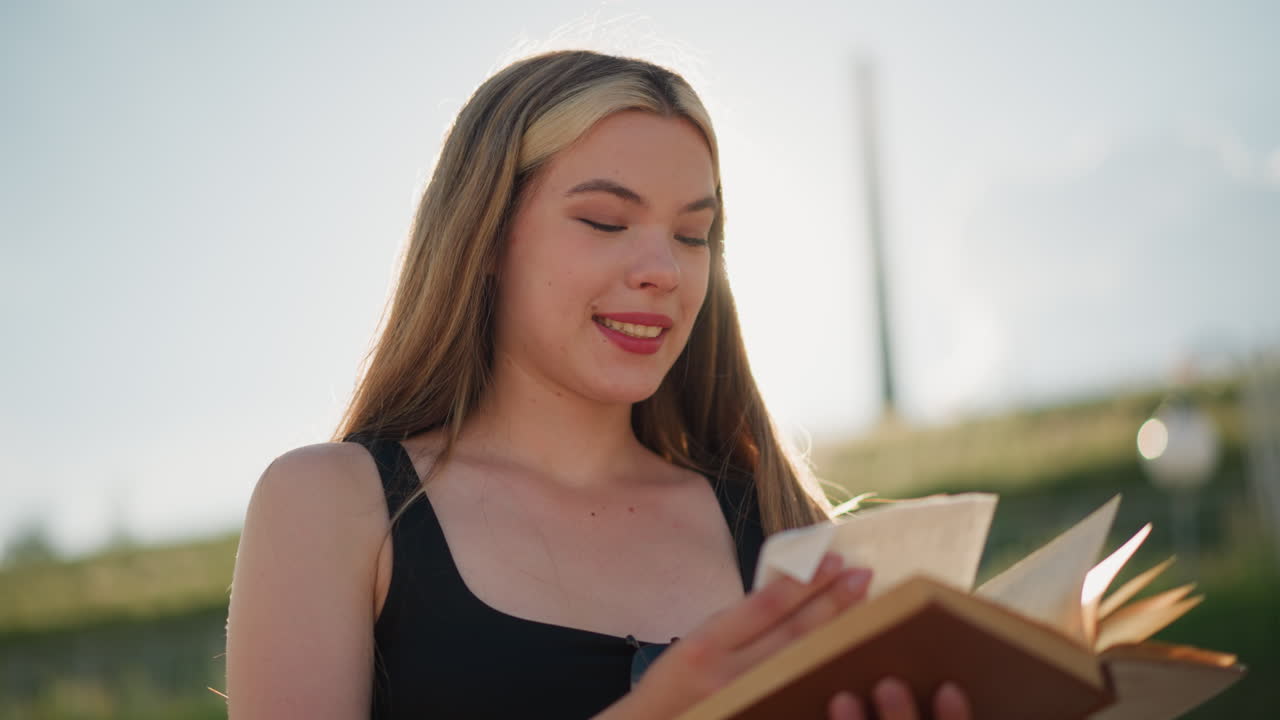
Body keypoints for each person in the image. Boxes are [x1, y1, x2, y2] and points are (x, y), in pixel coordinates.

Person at [224, 49, 971, 719]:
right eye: (607, 222)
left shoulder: (781, 524)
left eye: (692, 235)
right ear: (485, 236)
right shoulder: (333, 504)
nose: (664, 271)